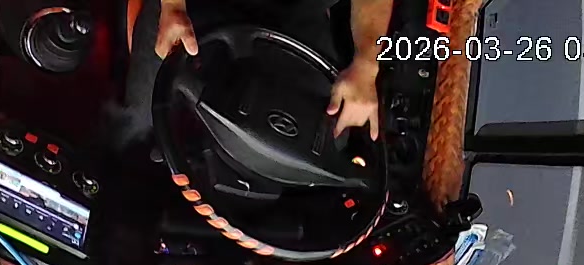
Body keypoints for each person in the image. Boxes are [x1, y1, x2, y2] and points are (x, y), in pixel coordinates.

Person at [115, 0, 392, 147]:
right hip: (191, 9)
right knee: (139, 131)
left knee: (328, 143)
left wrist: (367, 64)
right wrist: (173, 7)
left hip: (295, 22)